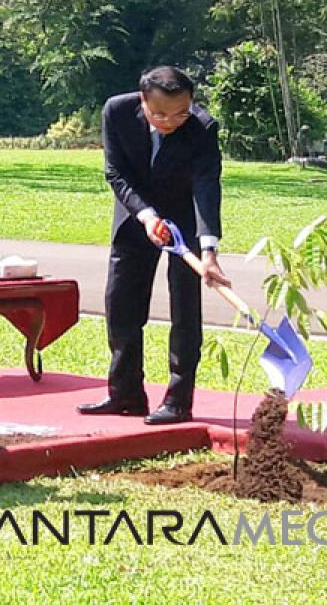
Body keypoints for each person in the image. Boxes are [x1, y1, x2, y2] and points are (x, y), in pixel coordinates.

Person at [78, 66, 231, 425]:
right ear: (142, 100)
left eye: (180, 112)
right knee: (121, 306)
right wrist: (147, 217)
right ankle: (126, 393)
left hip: (185, 221)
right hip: (136, 217)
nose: (170, 121)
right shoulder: (116, 111)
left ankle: (179, 401)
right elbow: (115, 172)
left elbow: (207, 186)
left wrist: (208, 250)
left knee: (185, 311)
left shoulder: (203, 128)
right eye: (159, 113)